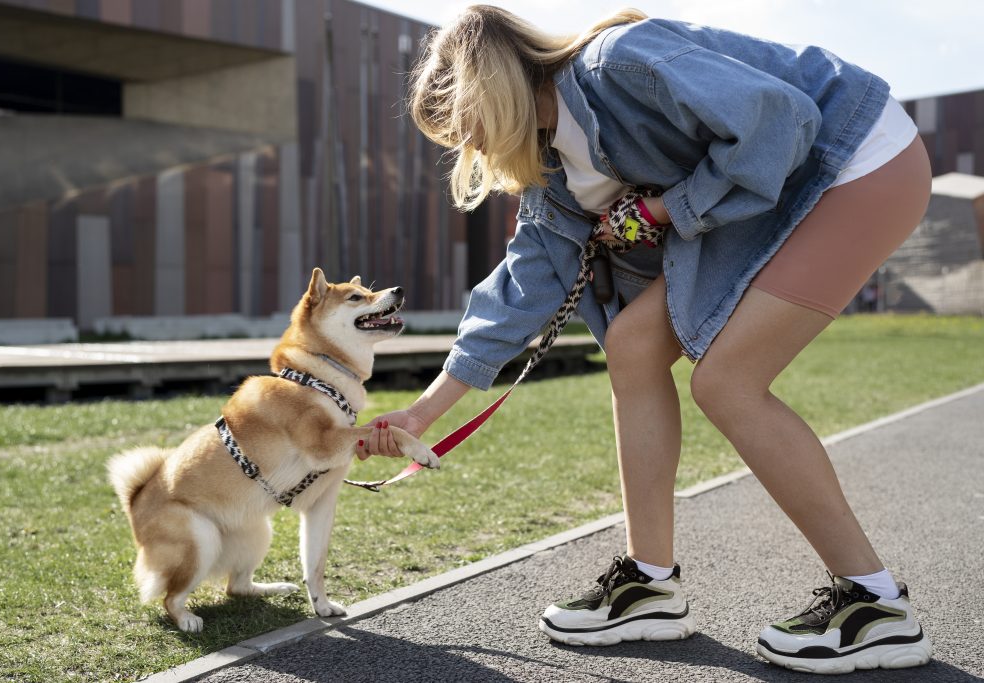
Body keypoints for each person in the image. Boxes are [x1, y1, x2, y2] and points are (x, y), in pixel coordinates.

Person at [359, 4, 933, 673]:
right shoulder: (552, 173)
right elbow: (520, 290)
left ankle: (876, 604)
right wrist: (421, 412)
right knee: (631, 343)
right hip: (787, 184)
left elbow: (781, 122)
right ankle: (650, 585)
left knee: (726, 382)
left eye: (467, 129)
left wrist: (663, 209)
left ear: (490, 88)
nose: (472, 152)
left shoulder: (618, 63)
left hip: (857, 156)